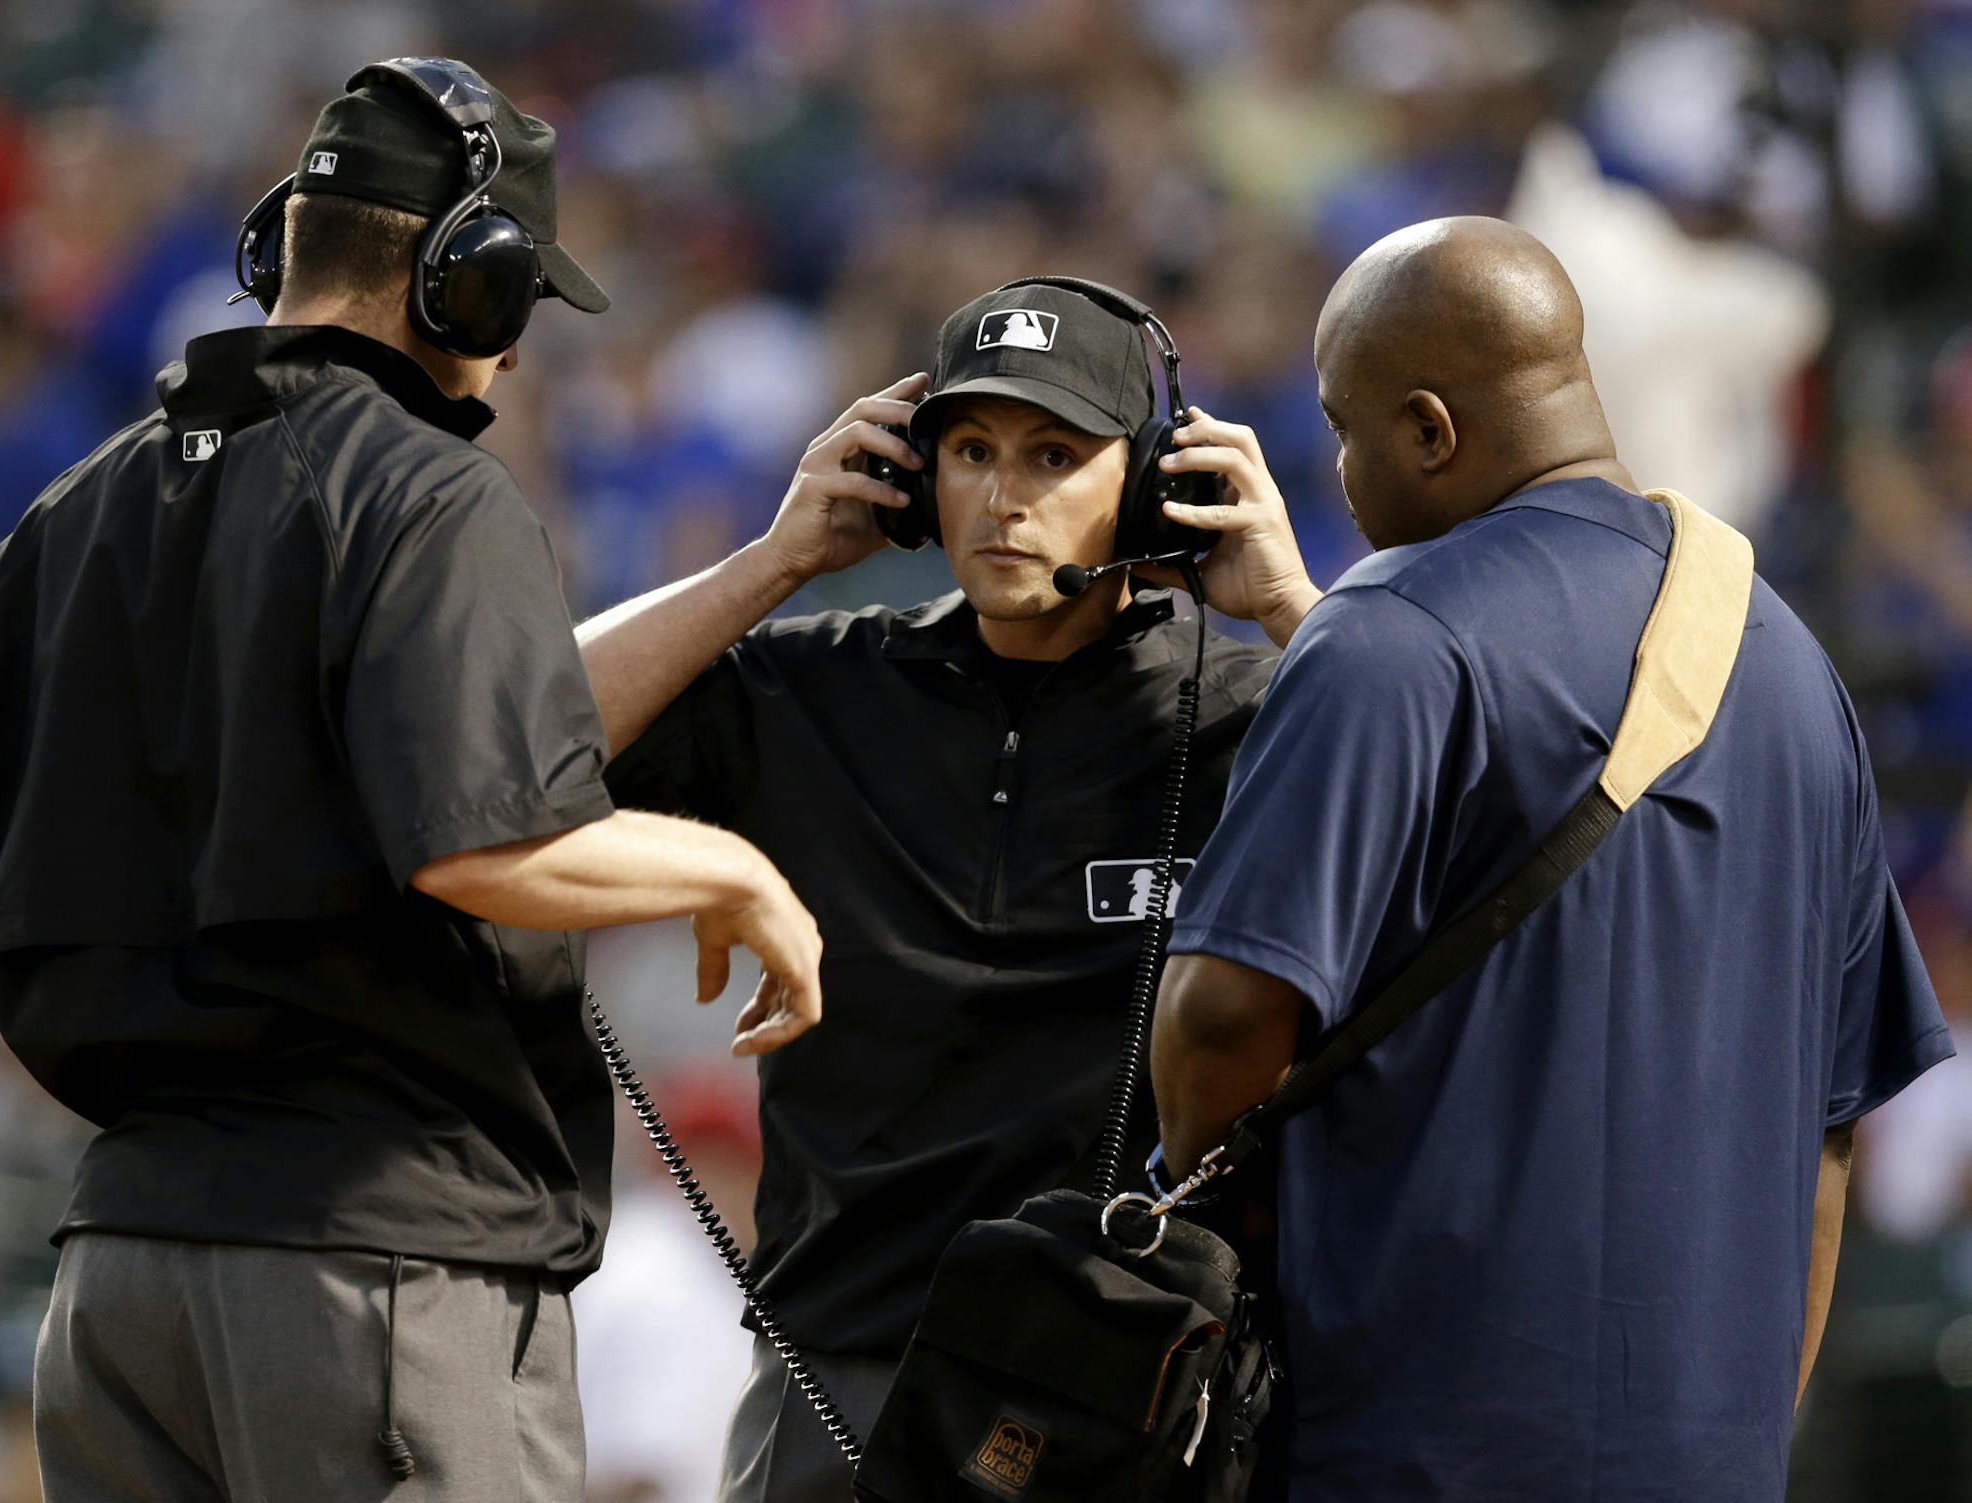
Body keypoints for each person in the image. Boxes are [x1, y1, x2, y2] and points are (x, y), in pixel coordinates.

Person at [0, 58, 823, 1503]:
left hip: (117, 1278)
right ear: (461, 282)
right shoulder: (431, 486)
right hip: (377, 1269)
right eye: (518, 303)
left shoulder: (73, 509)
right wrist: (737, 868)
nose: (515, 350)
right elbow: (483, 839)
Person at [1152, 216, 1956, 1501]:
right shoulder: (1791, 663)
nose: (1338, 472)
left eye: (1345, 429)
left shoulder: (1386, 631)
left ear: (1429, 429)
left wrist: (1231, 1259)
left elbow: (1219, 1022)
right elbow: (1827, 1140)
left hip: (1409, 1453)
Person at [578, 278, 1321, 1501]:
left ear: (1151, 484)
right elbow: (497, 743)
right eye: (970, 451)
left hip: (1123, 1392)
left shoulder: (1259, 713)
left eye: (1055, 454)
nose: (1006, 495)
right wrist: (774, 563)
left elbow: (1477, 851)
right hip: (838, 1378)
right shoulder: (813, 686)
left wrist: (1296, 611)